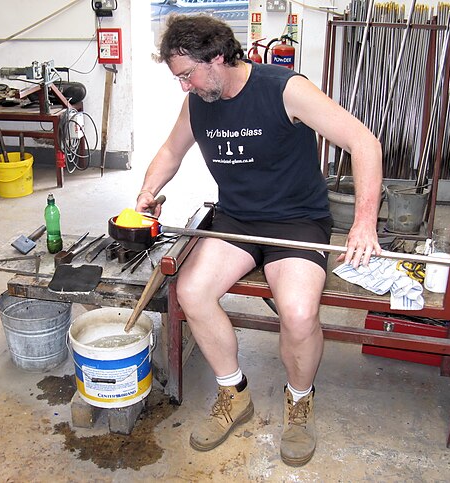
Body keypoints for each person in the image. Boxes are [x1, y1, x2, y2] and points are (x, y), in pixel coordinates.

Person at [135, 14, 382, 467]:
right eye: (178, 78)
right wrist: (148, 191)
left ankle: (300, 400)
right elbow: (171, 151)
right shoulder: (198, 103)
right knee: (191, 291)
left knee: (300, 312)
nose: (184, 87)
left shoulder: (284, 88)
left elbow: (364, 141)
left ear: (216, 58)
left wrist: (364, 221)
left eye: (187, 74)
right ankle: (234, 393)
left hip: (297, 220)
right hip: (238, 219)